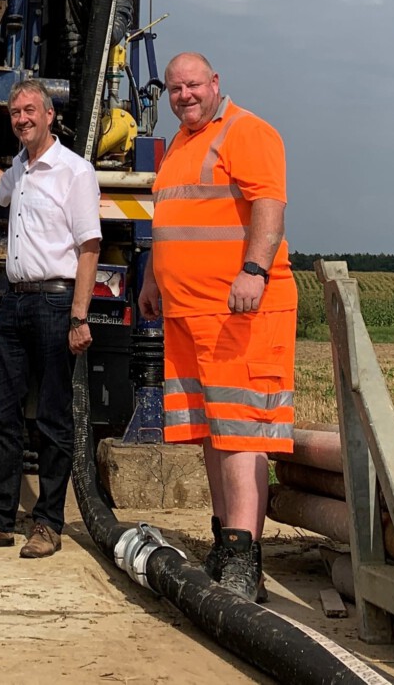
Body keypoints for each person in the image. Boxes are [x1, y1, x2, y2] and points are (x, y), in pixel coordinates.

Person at [137, 52, 297, 601]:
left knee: (240, 431)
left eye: (193, 85)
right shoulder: (181, 144)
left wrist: (253, 270)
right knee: (211, 431)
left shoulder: (247, 132)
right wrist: (153, 281)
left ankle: (243, 557)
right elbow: (170, 221)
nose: (184, 95)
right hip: (188, 314)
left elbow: (268, 208)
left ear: (215, 84)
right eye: (176, 89)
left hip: (238, 311)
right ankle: (225, 539)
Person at [0, 79, 101, 558]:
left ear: (49, 115)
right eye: (15, 113)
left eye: (30, 110)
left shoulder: (74, 171)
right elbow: (1, 187)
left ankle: (48, 523)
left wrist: (79, 316)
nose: (22, 119)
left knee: (53, 418)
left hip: (56, 303)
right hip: (13, 301)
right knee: (4, 414)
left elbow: (89, 246)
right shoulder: (21, 167)